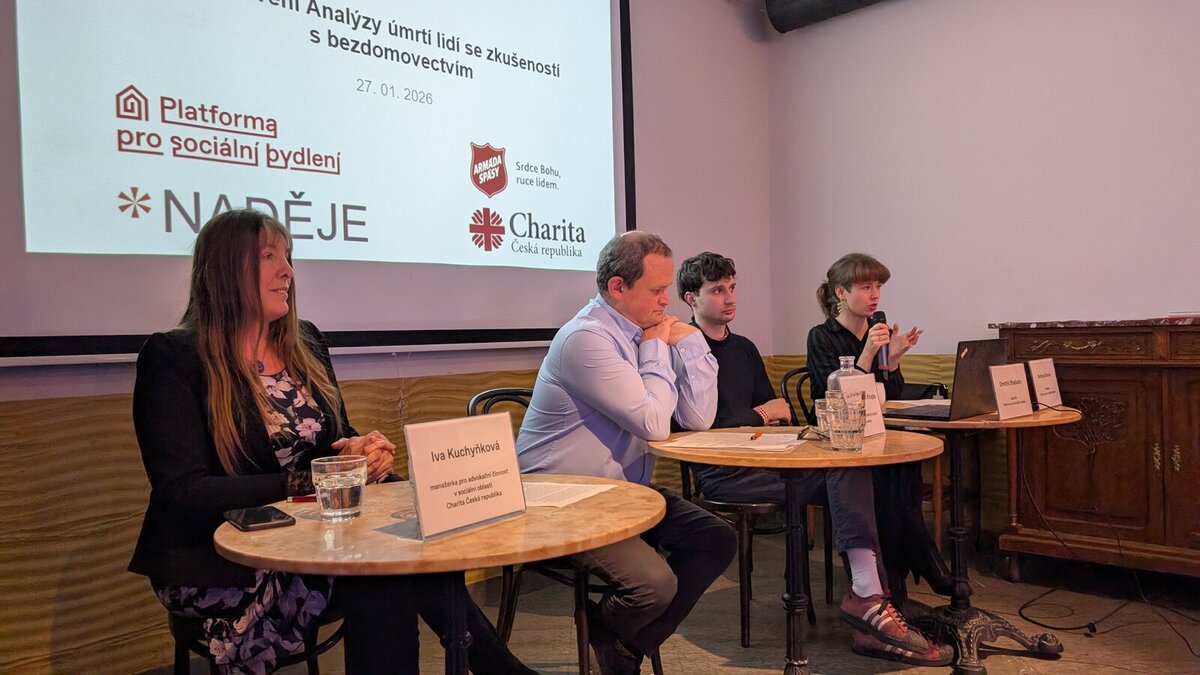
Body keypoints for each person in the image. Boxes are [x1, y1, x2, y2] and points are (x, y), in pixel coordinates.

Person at [128, 209, 534, 675]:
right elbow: (184, 491)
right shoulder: (174, 356)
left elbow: (333, 441)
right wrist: (313, 481)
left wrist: (360, 453)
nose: (288, 271)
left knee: (410, 552)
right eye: (269, 257)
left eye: (288, 257)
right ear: (224, 269)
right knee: (386, 577)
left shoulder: (305, 341)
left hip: (318, 538)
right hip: (222, 560)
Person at [676, 252, 950, 667]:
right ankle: (872, 600)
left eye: (732, 287)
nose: (730, 298)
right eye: (717, 290)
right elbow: (698, 425)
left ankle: (871, 599)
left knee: (853, 466)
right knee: (850, 470)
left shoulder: (745, 348)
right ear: (690, 298)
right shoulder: (682, 349)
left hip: (768, 459)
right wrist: (760, 415)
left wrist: (762, 416)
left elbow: (780, 412)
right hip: (723, 471)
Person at [516, 232, 737, 675]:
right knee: (654, 584)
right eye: (656, 291)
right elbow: (654, 423)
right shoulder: (586, 339)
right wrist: (656, 347)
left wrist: (691, 342)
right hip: (559, 498)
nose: (666, 301)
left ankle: (617, 639)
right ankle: (618, 640)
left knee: (717, 539)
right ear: (618, 287)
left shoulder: (643, 331)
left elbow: (698, 418)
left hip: (620, 493)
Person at [807, 252, 955, 599]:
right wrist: (869, 355)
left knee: (904, 465)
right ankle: (917, 563)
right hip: (837, 439)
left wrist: (894, 359)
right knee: (887, 477)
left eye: (878, 287)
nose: (874, 295)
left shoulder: (878, 334)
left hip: (875, 432)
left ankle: (897, 574)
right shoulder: (822, 336)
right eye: (865, 287)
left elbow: (891, 395)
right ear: (841, 292)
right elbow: (837, 396)